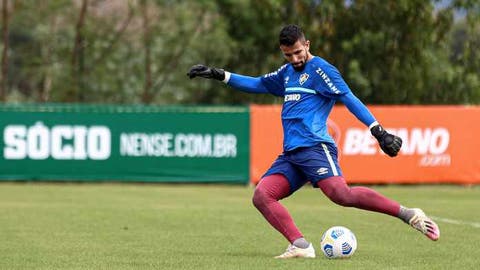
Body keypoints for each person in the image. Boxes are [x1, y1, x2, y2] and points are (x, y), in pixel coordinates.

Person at [187, 24, 440, 259]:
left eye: (298, 52)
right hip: (292, 154)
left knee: (341, 194)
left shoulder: (321, 70)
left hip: (315, 147)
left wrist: (378, 131)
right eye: (288, 55)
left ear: (307, 44)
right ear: (282, 52)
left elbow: (348, 98)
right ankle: (300, 245)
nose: (295, 59)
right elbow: (258, 84)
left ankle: (410, 214)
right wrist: (219, 75)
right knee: (262, 196)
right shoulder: (286, 73)